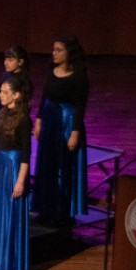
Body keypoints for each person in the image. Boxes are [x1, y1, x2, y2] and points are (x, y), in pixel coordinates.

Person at [33, 34, 88, 226]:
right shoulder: (52, 70)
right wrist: (38, 120)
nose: (54, 53)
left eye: (58, 50)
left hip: (66, 123)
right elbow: (44, 96)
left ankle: (63, 211)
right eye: (53, 49)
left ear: (69, 52)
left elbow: (80, 105)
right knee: (47, 163)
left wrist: (75, 132)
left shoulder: (78, 75)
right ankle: (46, 208)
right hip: (50, 121)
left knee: (64, 167)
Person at [0, 76, 31, 270]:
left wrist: (20, 181)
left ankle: (8, 260)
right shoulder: (2, 113)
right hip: (0, 164)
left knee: (9, 215)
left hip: (13, 167)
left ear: (16, 95)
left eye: (4, 91)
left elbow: (26, 153)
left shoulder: (24, 119)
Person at [0, 44, 32, 113]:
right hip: (0, 111)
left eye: (10, 60)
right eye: (5, 59)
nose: (6, 63)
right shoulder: (5, 75)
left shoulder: (23, 80)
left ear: (20, 62)